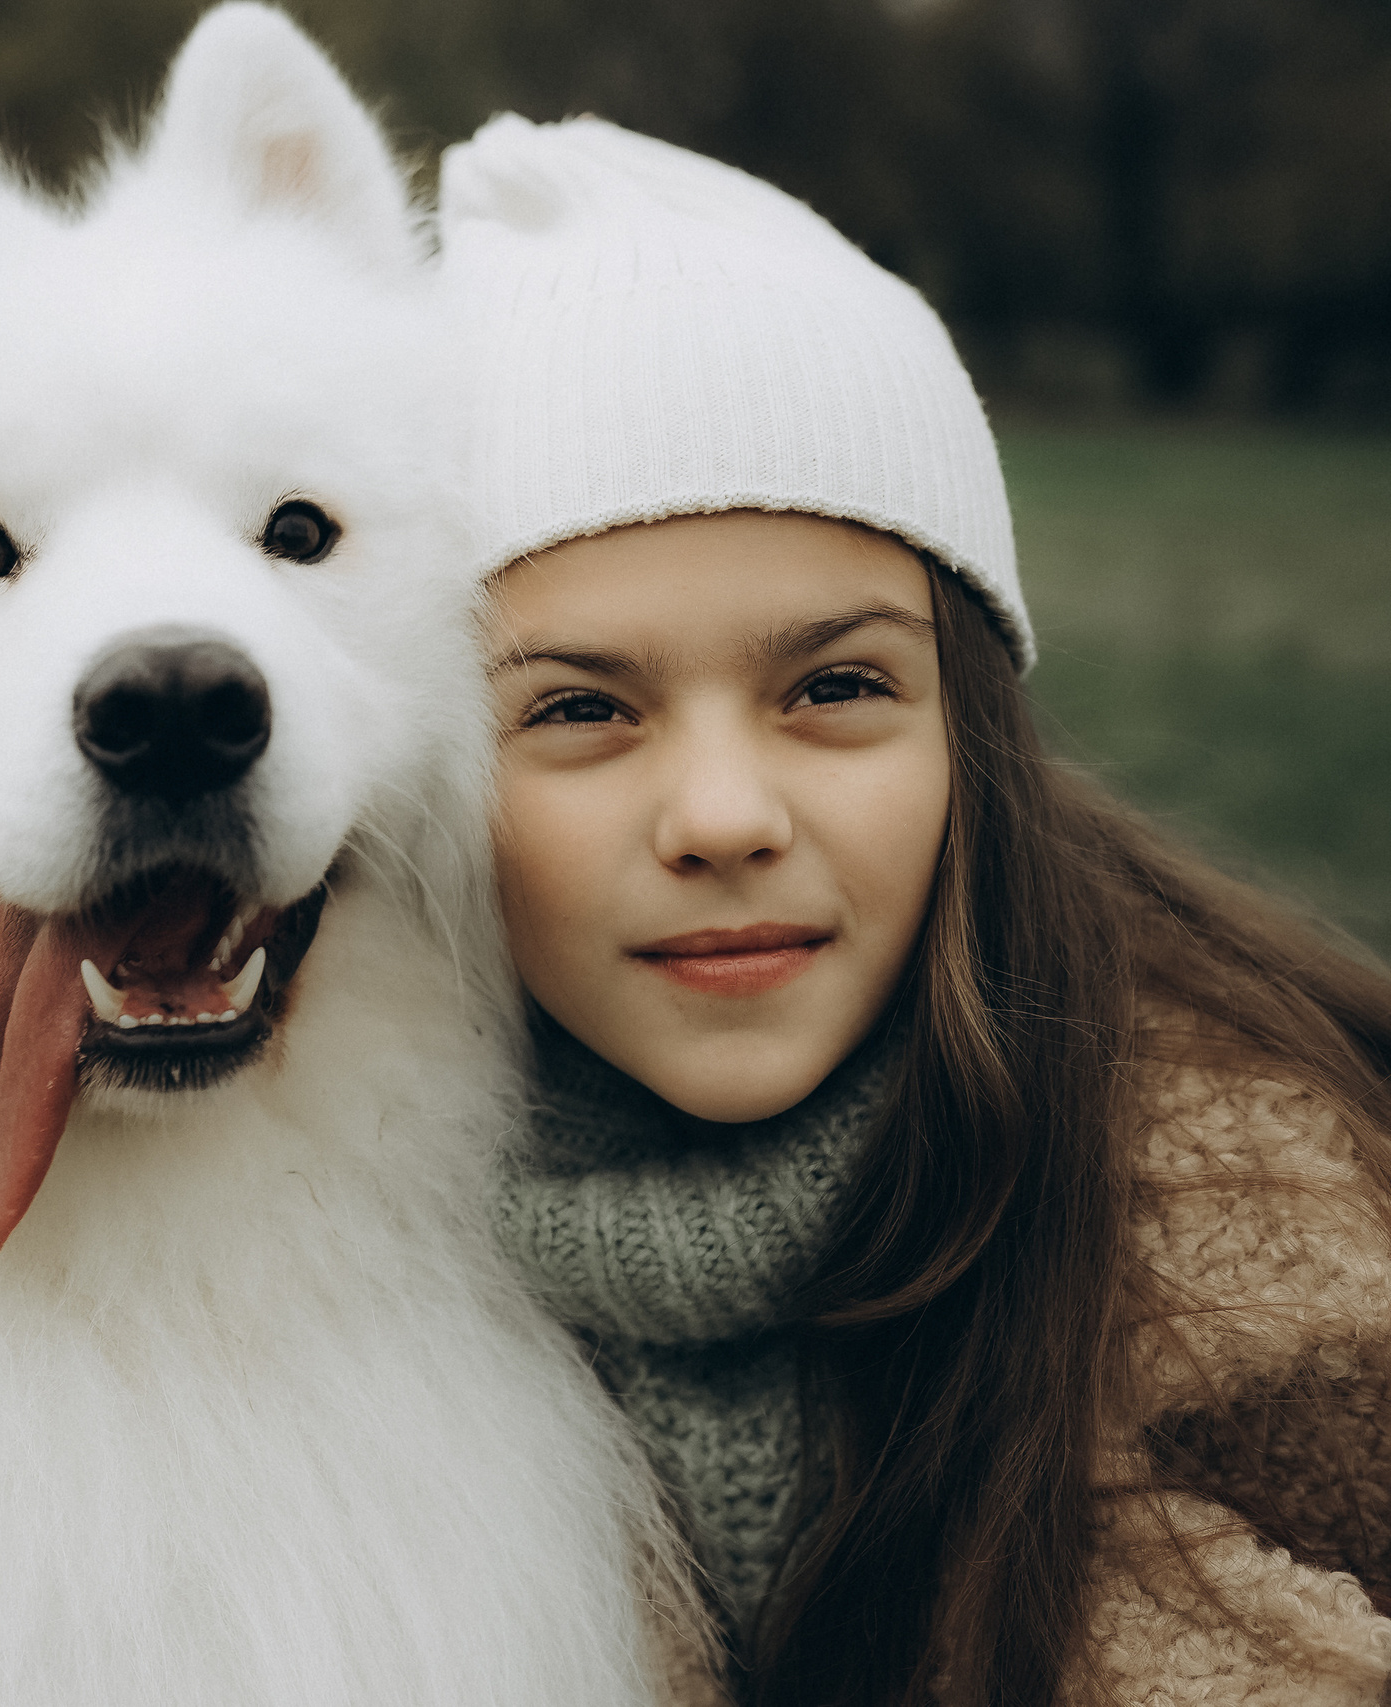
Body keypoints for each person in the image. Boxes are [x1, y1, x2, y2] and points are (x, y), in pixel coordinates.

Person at [443, 116, 1391, 1706]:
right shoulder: (282, 1241)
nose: (727, 818)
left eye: (835, 685)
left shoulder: (1243, 1226)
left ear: (974, 727)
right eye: (580, 712)